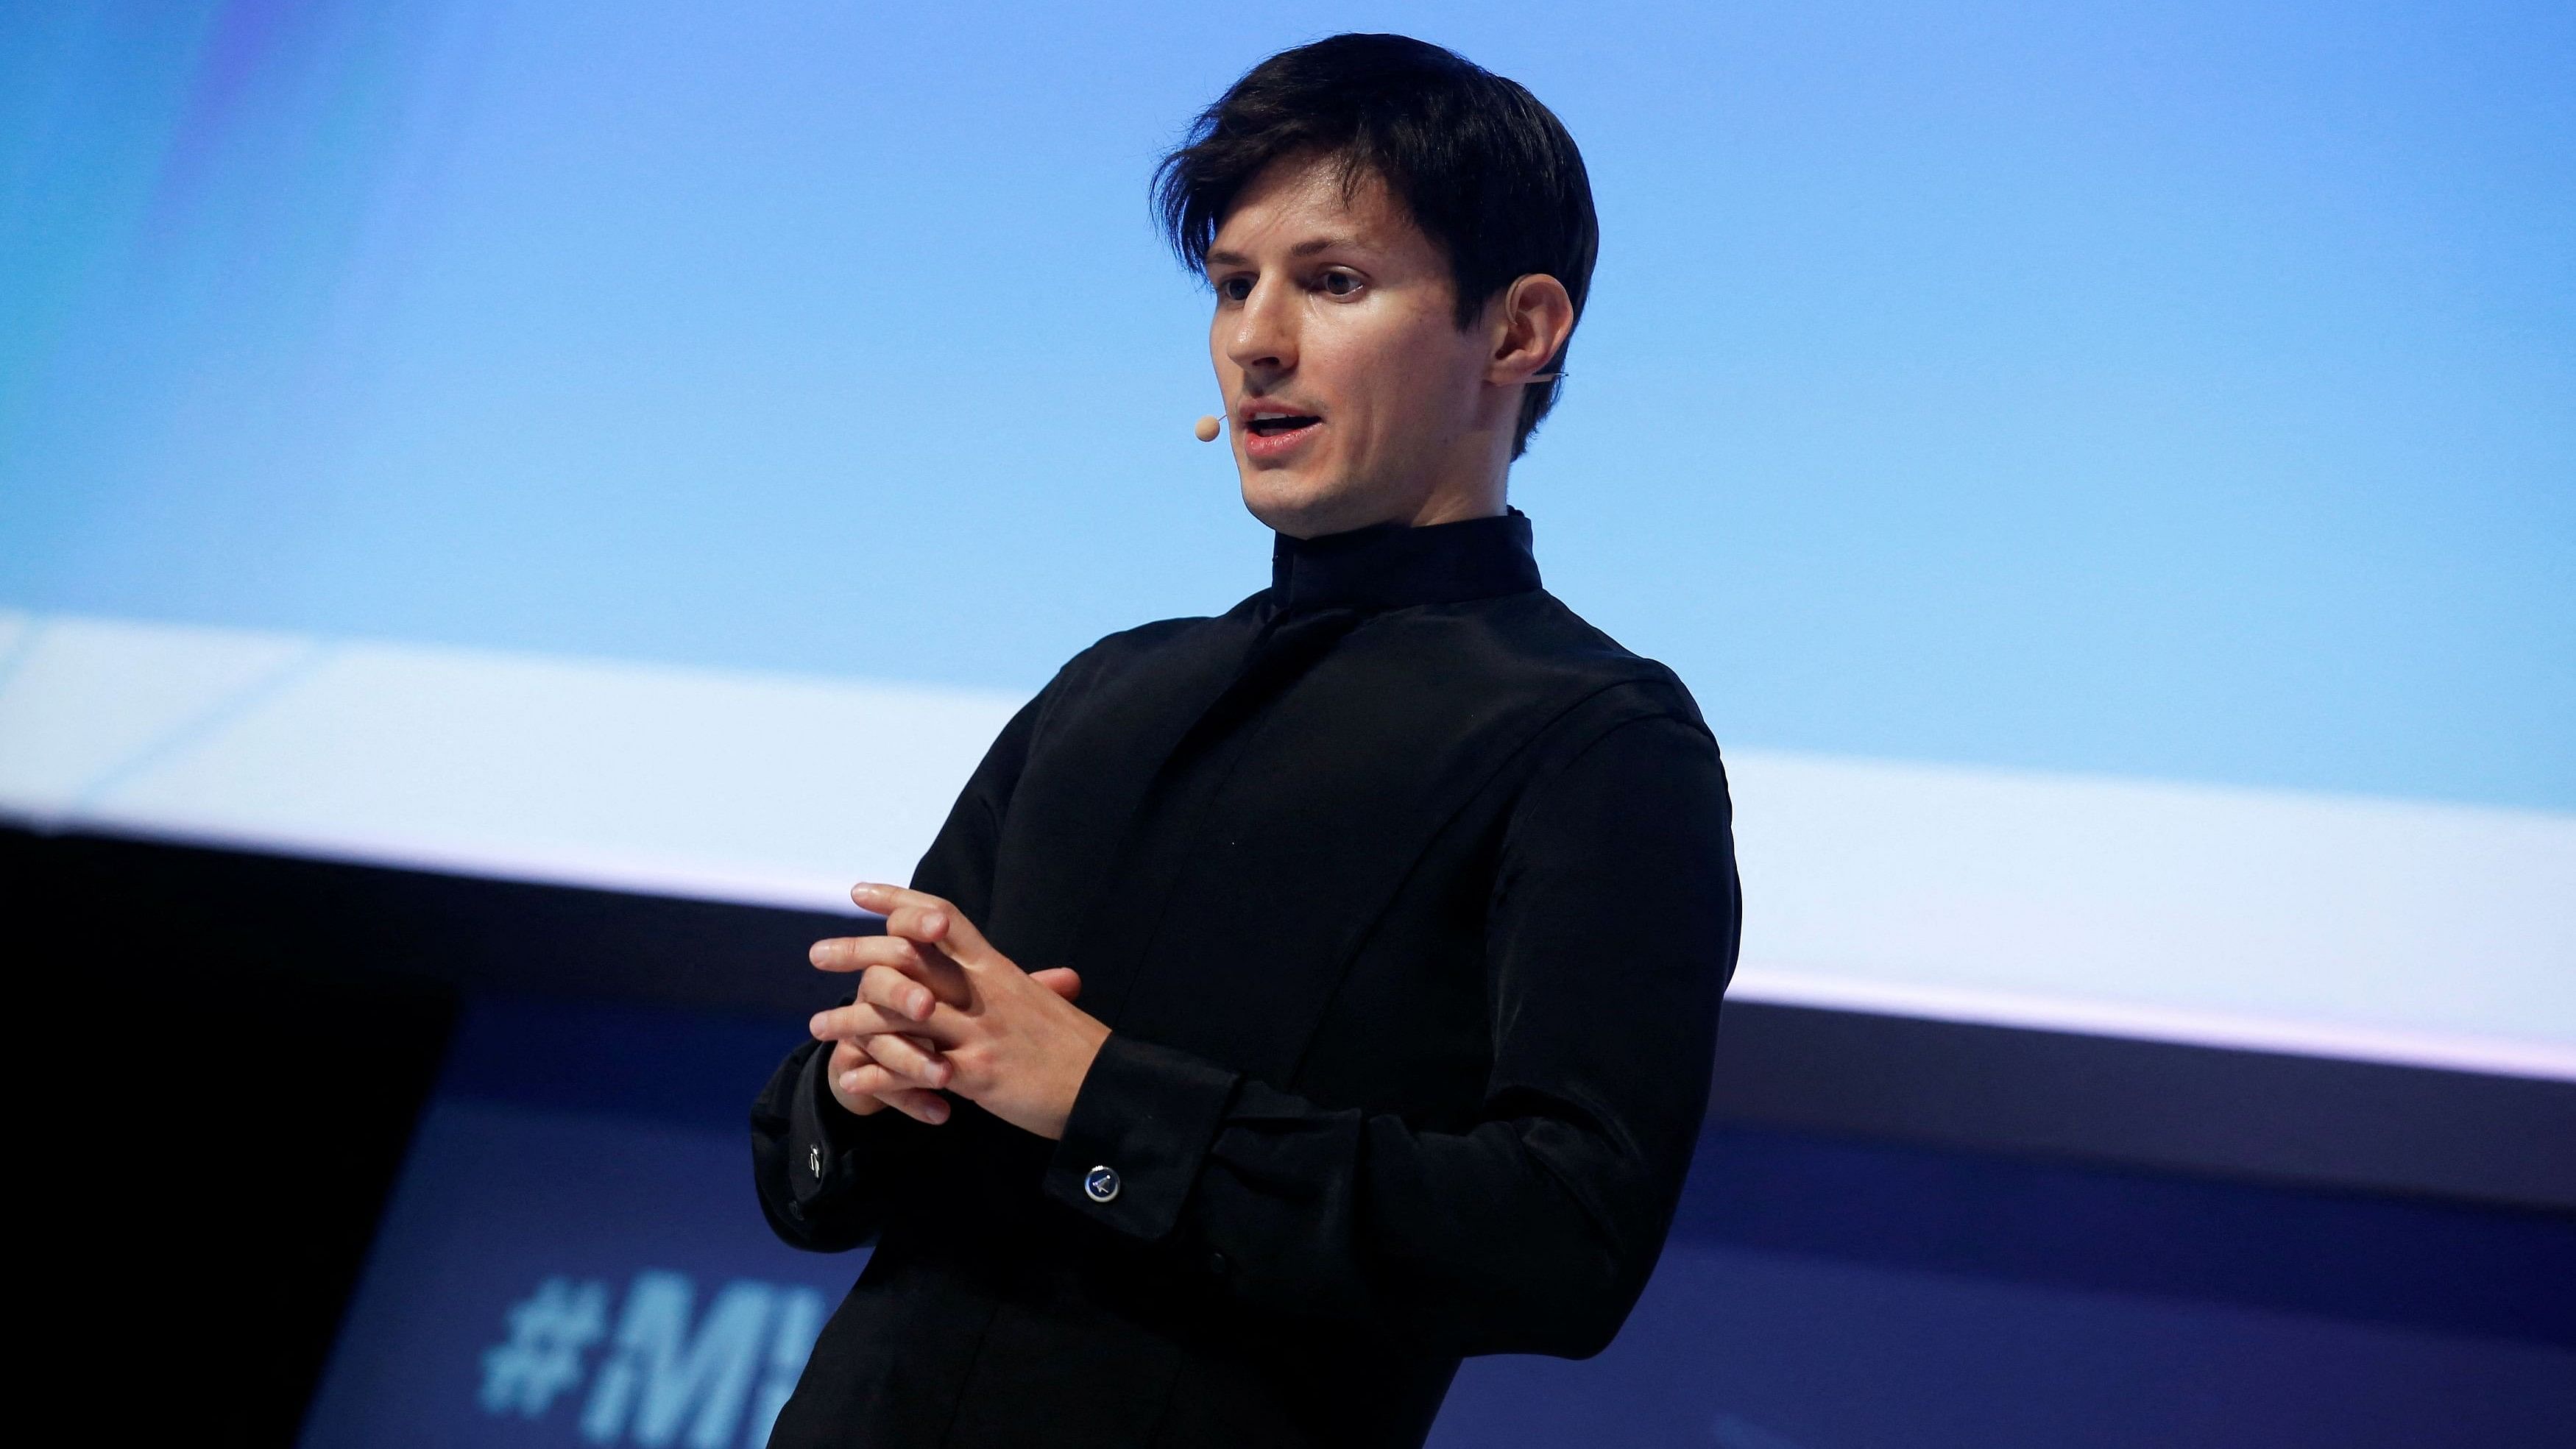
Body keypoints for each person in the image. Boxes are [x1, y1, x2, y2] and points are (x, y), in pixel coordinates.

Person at [751, 32, 1741, 1448]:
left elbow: (1566, 1236)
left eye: (1333, 281)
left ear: (1518, 332)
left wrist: (1097, 1098)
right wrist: (863, 1087)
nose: (1257, 339)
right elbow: (807, 1174)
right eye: (1231, 285)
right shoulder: (1108, 691)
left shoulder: (1596, 740)